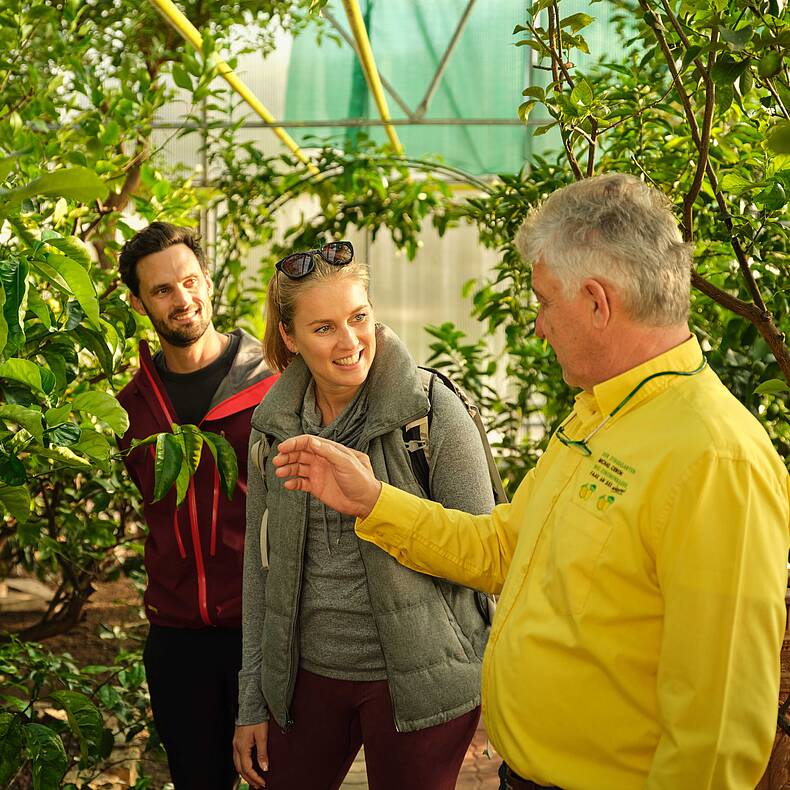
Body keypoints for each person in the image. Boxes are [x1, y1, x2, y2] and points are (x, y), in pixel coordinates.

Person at [272, 175, 790, 790]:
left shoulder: (714, 460)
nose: (539, 325)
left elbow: (717, 735)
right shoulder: (602, 414)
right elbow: (502, 550)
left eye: (545, 300)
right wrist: (375, 501)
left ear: (597, 303)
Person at [232, 241, 495, 790]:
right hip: (307, 677)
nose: (350, 341)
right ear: (289, 337)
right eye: (323, 328)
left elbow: (486, 554)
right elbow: (260, 572)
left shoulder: (430, 410)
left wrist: (497, 688)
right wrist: (252, 700)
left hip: (422, 678)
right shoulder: (271, 427)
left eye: (359, 317)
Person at [116, 222, 277, 790]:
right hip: (177, 637)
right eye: (162, 290)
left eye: (189, 281)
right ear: (138, 303)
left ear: (207, 280)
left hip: (264, 630)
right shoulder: (128, 408)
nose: (182, 299)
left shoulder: (274, 384)